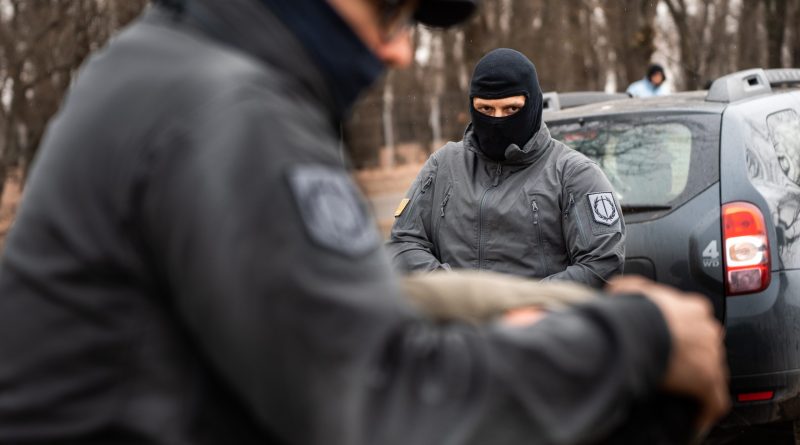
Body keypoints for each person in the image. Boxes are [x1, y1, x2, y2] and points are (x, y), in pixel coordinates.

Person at [0, 0, 728, 444]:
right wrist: (634, 343)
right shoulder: (238, 114)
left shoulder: (158, 65)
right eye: (388, 10)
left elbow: (320, 319)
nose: (400, 50)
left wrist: (536, 311)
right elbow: (371, 403)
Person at [388, 48, 624, 288]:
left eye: (511, 109)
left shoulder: (574, 174)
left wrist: (527, 301)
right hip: (456, 310)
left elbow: (601, 263)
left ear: (533, 105)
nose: (497, 120)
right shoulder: (443, 165)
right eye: (486, 109)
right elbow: (403, 241)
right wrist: (455, 291)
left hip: (543, 312)